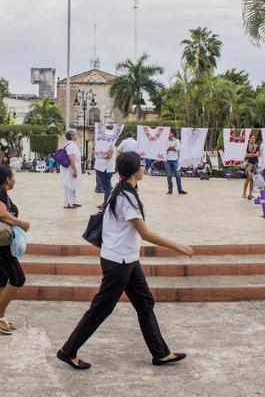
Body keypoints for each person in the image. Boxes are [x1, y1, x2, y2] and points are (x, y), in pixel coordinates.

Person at [57, 152, 194, 370]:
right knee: (102, 307)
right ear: (133, 170)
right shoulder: (126, 197)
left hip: (127, 259)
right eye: (141, 164)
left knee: (145, 302)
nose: (144, 167)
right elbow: (145, 233)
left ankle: (160, 353)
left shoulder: (121, 191)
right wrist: (178, 246)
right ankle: (68, 350)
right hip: (118, 261)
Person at [0, 165, 30, 334]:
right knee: (18, 278)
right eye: (13, 176)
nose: (15, 179)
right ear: (7, 179)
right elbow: (1, 214)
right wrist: (21, 222)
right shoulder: (0, 191)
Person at [59, 129, 82, 209]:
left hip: (72, 168)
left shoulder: (71, 144)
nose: (77, 136)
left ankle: (73, 201)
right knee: (69, 185)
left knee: (73, 186)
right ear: (72, 136)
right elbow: (71, 158)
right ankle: (68, 203)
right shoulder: (71, 145)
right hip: (71, 169)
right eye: (75, 134)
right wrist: (74, 170)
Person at [93, 142, 115, 207]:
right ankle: (106, 202)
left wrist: (99, 154)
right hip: (103, 167)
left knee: (107, 187)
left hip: (105, 168)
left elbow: (108, 156)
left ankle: (106, 203)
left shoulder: (110, 144)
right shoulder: (104, 144)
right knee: (107, 186)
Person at [165, 130, 187, 195]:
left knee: (178, 175)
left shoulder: (177, 141)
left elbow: (179, 148)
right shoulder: (165, 141)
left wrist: (170, 148)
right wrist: (172, 148)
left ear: (173, 134)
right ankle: (170, 190)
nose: (168, 134)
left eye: (169, 133)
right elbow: (164, 148)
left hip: (175, 160)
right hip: (167, 160)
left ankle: (180, 189)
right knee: (169, 175)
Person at [242, 134, 260, 200]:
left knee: (252, 179)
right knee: (248, 178)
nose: (253, 139)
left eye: (254, 138)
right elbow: (245, 155)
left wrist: (251, 154)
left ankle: (250, 194)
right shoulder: (246, 146)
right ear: (249, 139)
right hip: (248, 163)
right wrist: (254, 154)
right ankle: (244, 193)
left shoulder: (256, 146)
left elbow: (259, 154)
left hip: (255, 164)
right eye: (252, 138)